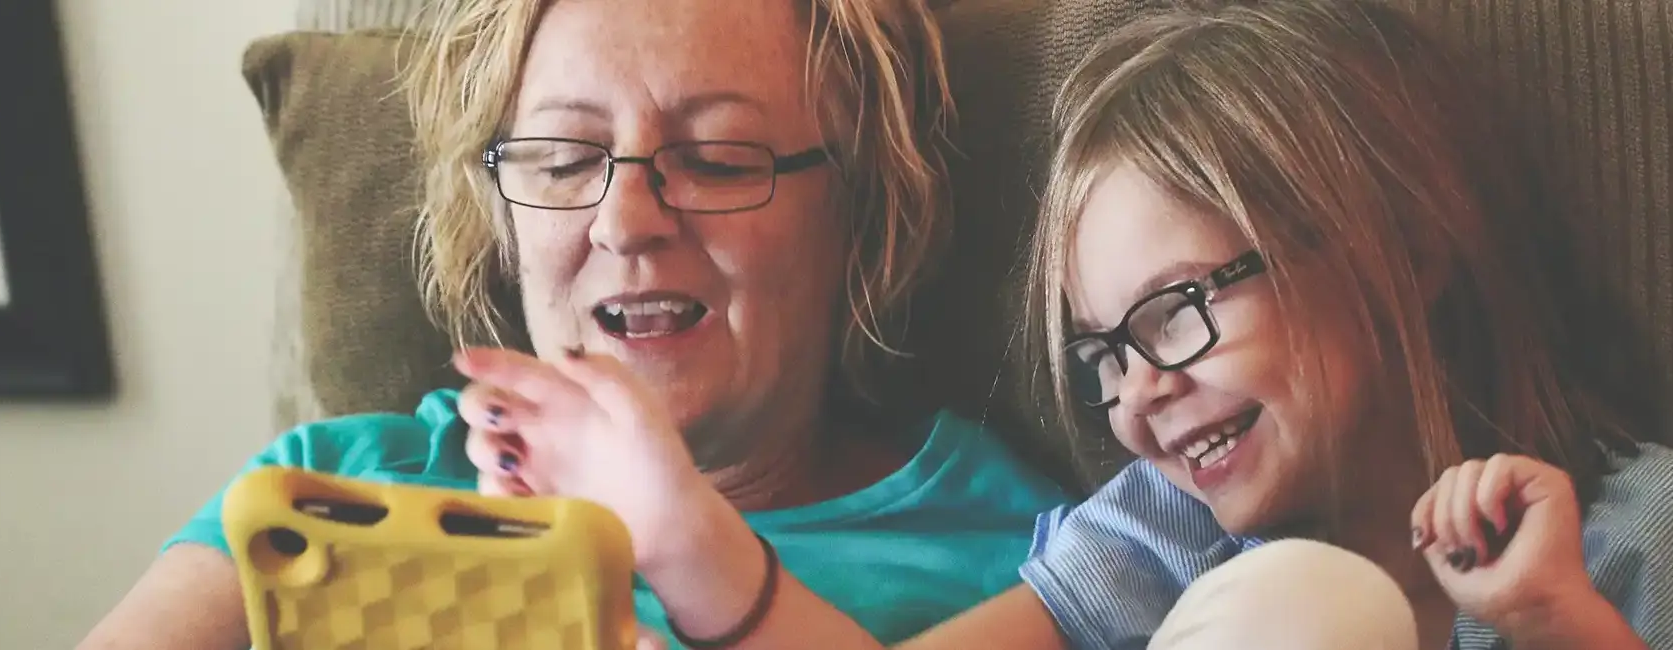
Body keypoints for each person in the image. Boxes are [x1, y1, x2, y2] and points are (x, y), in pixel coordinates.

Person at [447, 0, 1673, 648]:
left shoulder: (1650, 532)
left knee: (1319, 603)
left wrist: (1556, 625)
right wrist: (682, 538)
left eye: (1178, 310)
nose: (1134, 396)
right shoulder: (1164, 529)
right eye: (1100, 352)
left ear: (1406, 247)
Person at [74, 0, 1071, 648]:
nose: (625, 221)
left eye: (720, 158)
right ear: (500, 219)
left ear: (856, 212)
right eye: (559, 159)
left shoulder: (1028, 557)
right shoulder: (329, 493)